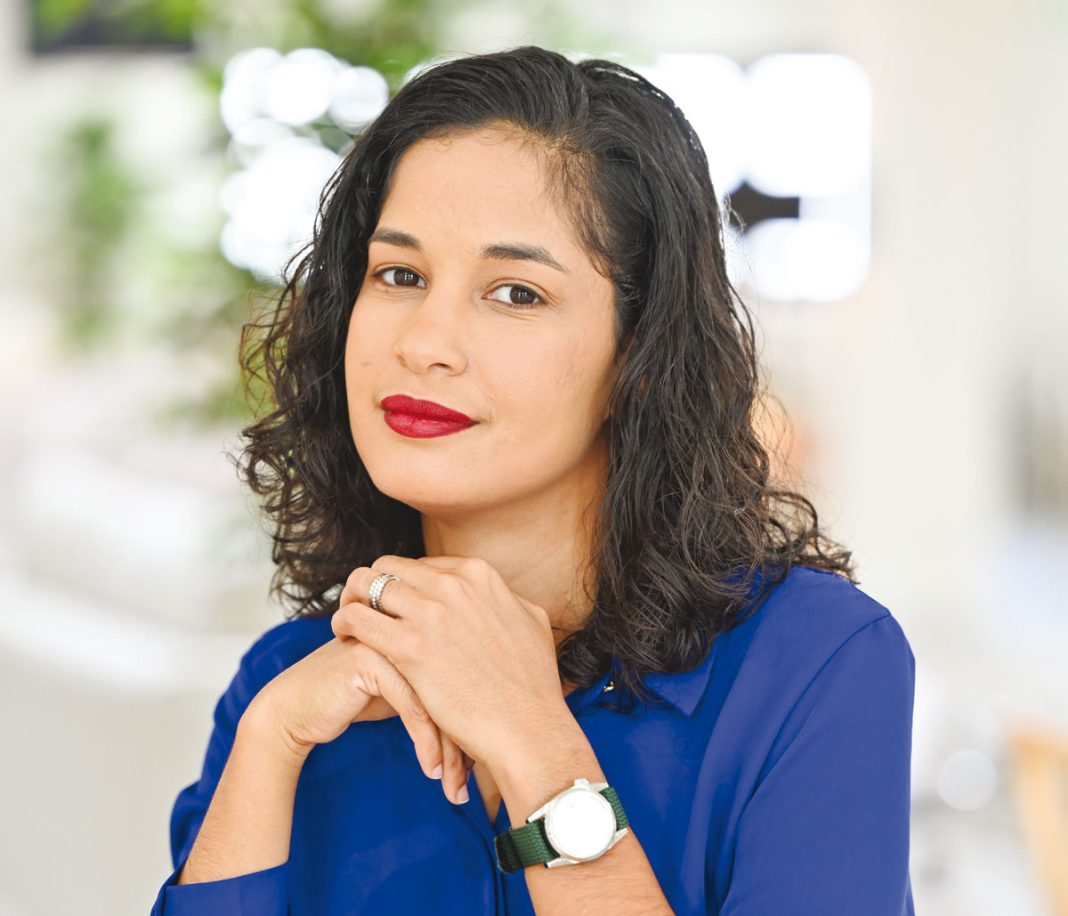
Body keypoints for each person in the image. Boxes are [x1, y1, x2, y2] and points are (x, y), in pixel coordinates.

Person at [150, 45, 915, 915]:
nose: (424, 342)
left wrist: (535, 743)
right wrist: (268, 747)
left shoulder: (818, 665)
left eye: (516, 293)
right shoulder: (288, 688)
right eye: (399, 274)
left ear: (640, 359)